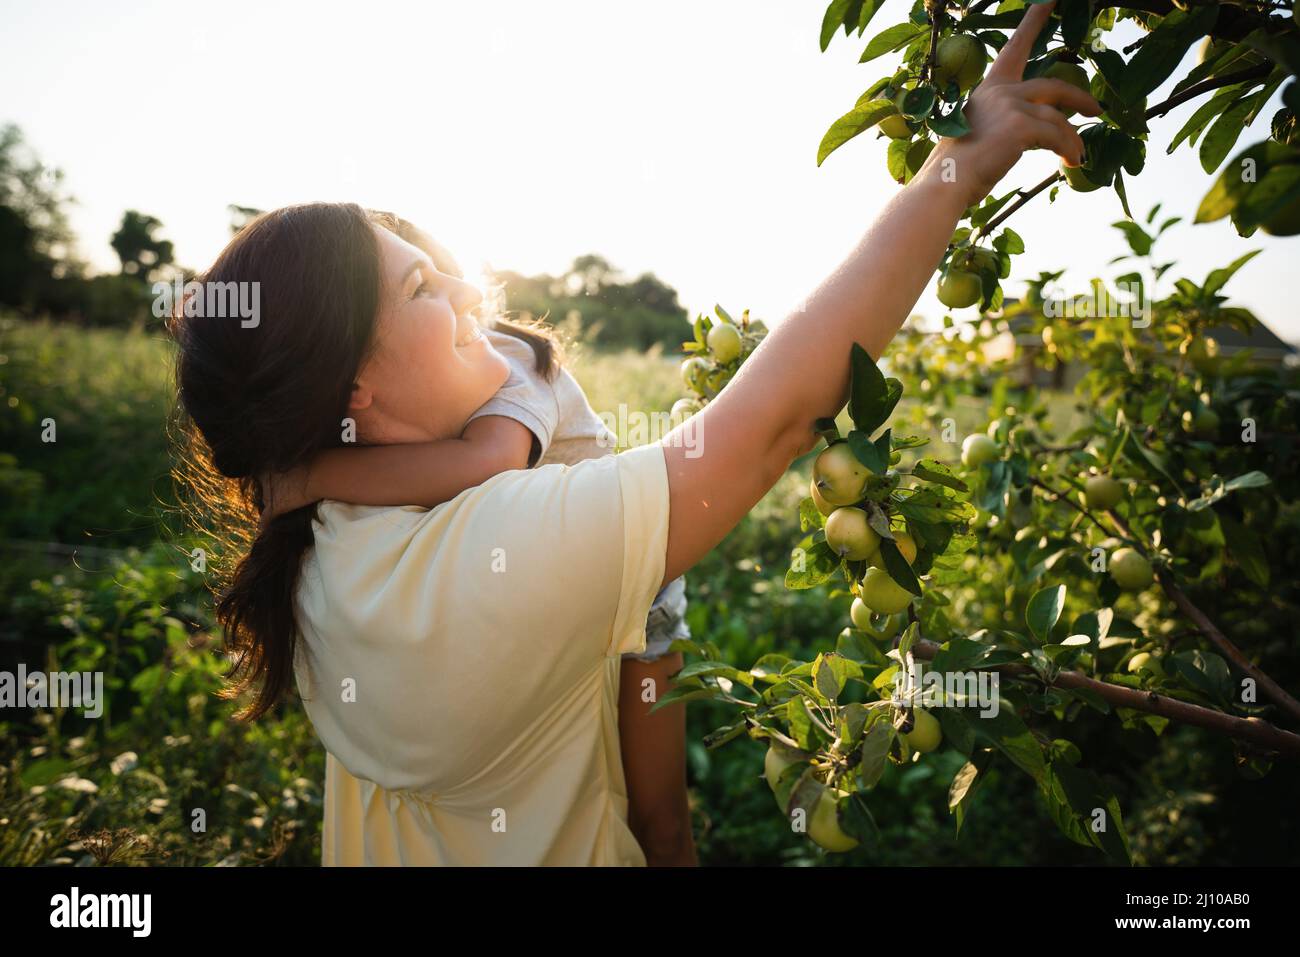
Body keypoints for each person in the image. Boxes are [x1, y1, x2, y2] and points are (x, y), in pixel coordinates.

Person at [170, 0, 1096, 866]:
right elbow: (770, 421)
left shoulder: (327, 536)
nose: (466, 293)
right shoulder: (484, 559)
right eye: (421, 289)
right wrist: (957, 167)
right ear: (355, 385)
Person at [258, 215, 699, 864]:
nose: (459, 290)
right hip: (560, 566)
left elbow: (482, 465)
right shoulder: (439, 375)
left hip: (642, 589)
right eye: (419, 287)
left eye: (437, 276)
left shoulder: (514, 366)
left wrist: (309, 476)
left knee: (661, 822)